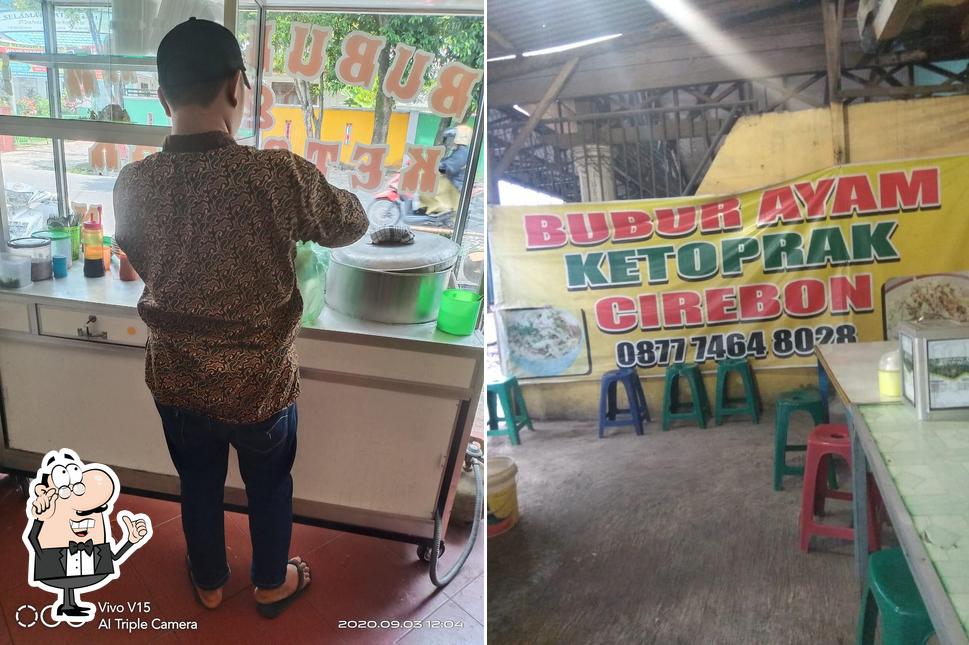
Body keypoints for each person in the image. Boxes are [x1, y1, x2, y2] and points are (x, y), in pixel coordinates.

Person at [114, 18, 368, 618]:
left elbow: (142, 255)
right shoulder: (277, 175)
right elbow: (349, 223)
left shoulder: (134, 182)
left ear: (162, 97)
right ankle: (271, 584)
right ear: (236, 87)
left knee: (197, 482)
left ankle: (207, 580)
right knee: (269, 485)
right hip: (261, 385)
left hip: (176, 378)